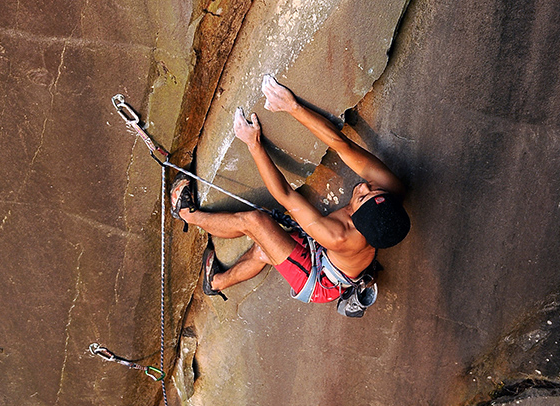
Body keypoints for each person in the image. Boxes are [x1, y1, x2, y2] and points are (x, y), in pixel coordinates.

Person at [171, 75, 410, 311]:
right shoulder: (391, 191)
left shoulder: (337, 235)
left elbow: (285, 194)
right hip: (329, 256)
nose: (363, 186)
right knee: (264, 248)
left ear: (355, 220)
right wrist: (292, 107)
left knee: (256, 222)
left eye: (361, 197)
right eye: (372, 189)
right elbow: (342, 146)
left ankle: (186, 214)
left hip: (320, 280)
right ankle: (215, 282)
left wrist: (253, 145)